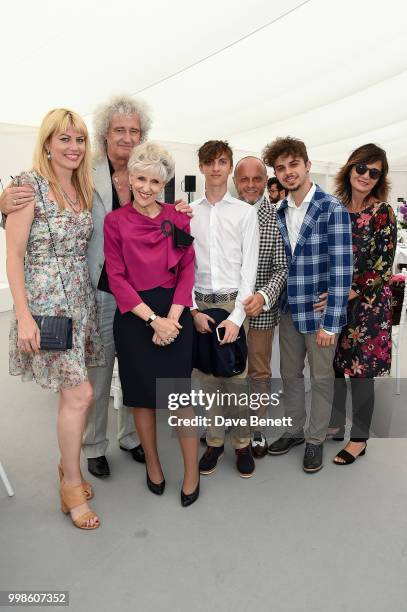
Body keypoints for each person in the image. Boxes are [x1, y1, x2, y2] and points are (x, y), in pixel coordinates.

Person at [6, 108, 105, 529]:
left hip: (79, 302)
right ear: (47, 143)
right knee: (79, 395)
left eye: (79, 139)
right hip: (46, 306)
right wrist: (25, 317)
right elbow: (12, 256)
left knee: (76, 396)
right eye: (64, 139)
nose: (73, 147)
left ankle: (67, 470)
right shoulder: (28, 186)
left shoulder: (82, 188)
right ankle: (70, 484)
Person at [104, 142, 199, 507]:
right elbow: (116, 277)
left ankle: (190, 473)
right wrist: (153, 321)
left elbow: (188, 268)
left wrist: (172, 318)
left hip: (173, 313)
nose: (145, 187)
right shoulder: (115, 222)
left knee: (178, 398)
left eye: (154, 181)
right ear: (129, 177)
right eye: (140, 178)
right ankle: (154, 467)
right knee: (141, 397)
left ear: (165, 184)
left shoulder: (178, 218)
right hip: (135, 317)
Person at [262, 136, 353, 473]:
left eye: (293, 165)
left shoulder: (332, 209)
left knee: (320, 376)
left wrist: (332, 322)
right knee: (288, 374)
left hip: (319, 313)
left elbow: (343, 269)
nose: (288, 172)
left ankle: (315, 440)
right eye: (281, 168)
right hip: (289, 309)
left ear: (307, 164)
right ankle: (295, 430)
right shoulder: (280, 210)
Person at [191, 141, 259, 478]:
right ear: (201, 167)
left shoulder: (245, 213)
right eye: (209, 162)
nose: (216, 168)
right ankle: (215, 442)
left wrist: (236, 318)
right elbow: (181, 267)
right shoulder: (188, 213)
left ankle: (242, 443)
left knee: (236, 380)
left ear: (229, 167)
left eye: (222, 161)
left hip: (234, 304)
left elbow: (250, 268)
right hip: (201, 304)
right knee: (207, 379)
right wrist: (191, 311)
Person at [328, 144, 397, 464]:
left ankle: (359, 438)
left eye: (374, 172)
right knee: (334, 365)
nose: (366, 176)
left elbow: (384, 265)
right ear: (349, 167)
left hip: (368, 305)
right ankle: (334, 424)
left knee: (359, 371)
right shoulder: (336, 208)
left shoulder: (382, 211)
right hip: (336, 301)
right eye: (361, 168)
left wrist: (348, 292)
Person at [233, 156, 287, 457]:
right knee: (224, 372)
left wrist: (264, 296)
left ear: (265, 182)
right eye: (244, 179)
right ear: (235, 181)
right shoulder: (224, 213)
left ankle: (255, 429)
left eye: (257, 179)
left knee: (258, 374)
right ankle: (226, 424)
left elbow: (282, 268)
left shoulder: (276, 219)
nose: (251, 185)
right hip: (227, 311)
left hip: (260, 314)